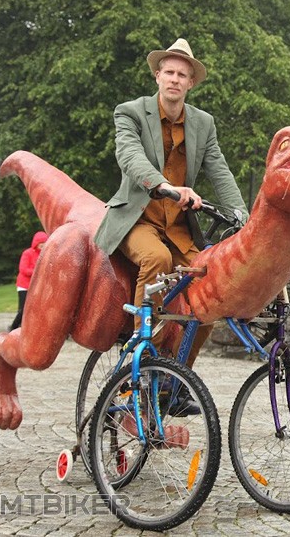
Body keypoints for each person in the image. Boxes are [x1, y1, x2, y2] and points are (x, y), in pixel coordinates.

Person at [93, 38, 249, 385]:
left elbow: (219, 171)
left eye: (182, 75)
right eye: (169, 72)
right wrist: (165, 186)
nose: (175, 79)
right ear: (157, 76)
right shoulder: (130, 112)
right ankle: (144, 359)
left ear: (191, 82)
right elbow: (130, 157)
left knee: (210, 284)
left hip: (179, 227)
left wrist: (242, 217)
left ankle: (176, 378)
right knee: (157, 258)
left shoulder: (203, 123)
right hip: (138, 219)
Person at [9, 231, 48, 331]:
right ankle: (13, 327)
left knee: (36, 308)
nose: (43, 245)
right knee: (23, 309)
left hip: (37, 286)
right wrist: (38, 271)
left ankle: (28, 328)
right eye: (41, 243)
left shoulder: (46, 255)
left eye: (45, 243)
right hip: (24, 286)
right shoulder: (27, 253)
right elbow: (23, 269)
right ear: (36, 243)